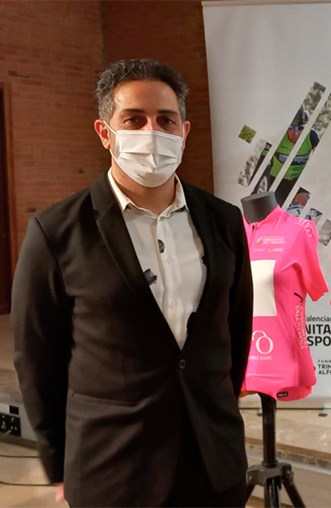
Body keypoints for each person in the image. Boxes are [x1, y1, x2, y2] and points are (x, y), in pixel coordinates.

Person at [11, 58, 253, 507]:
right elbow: (37, 358)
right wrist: (59, 462)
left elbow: (236, 333)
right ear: (105, 132)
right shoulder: (57, 232)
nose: (152, 132)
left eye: (166, 120)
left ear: (184, 131)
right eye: (134, 119)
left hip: (212, 464)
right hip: (113, 467)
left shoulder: (224, 221)